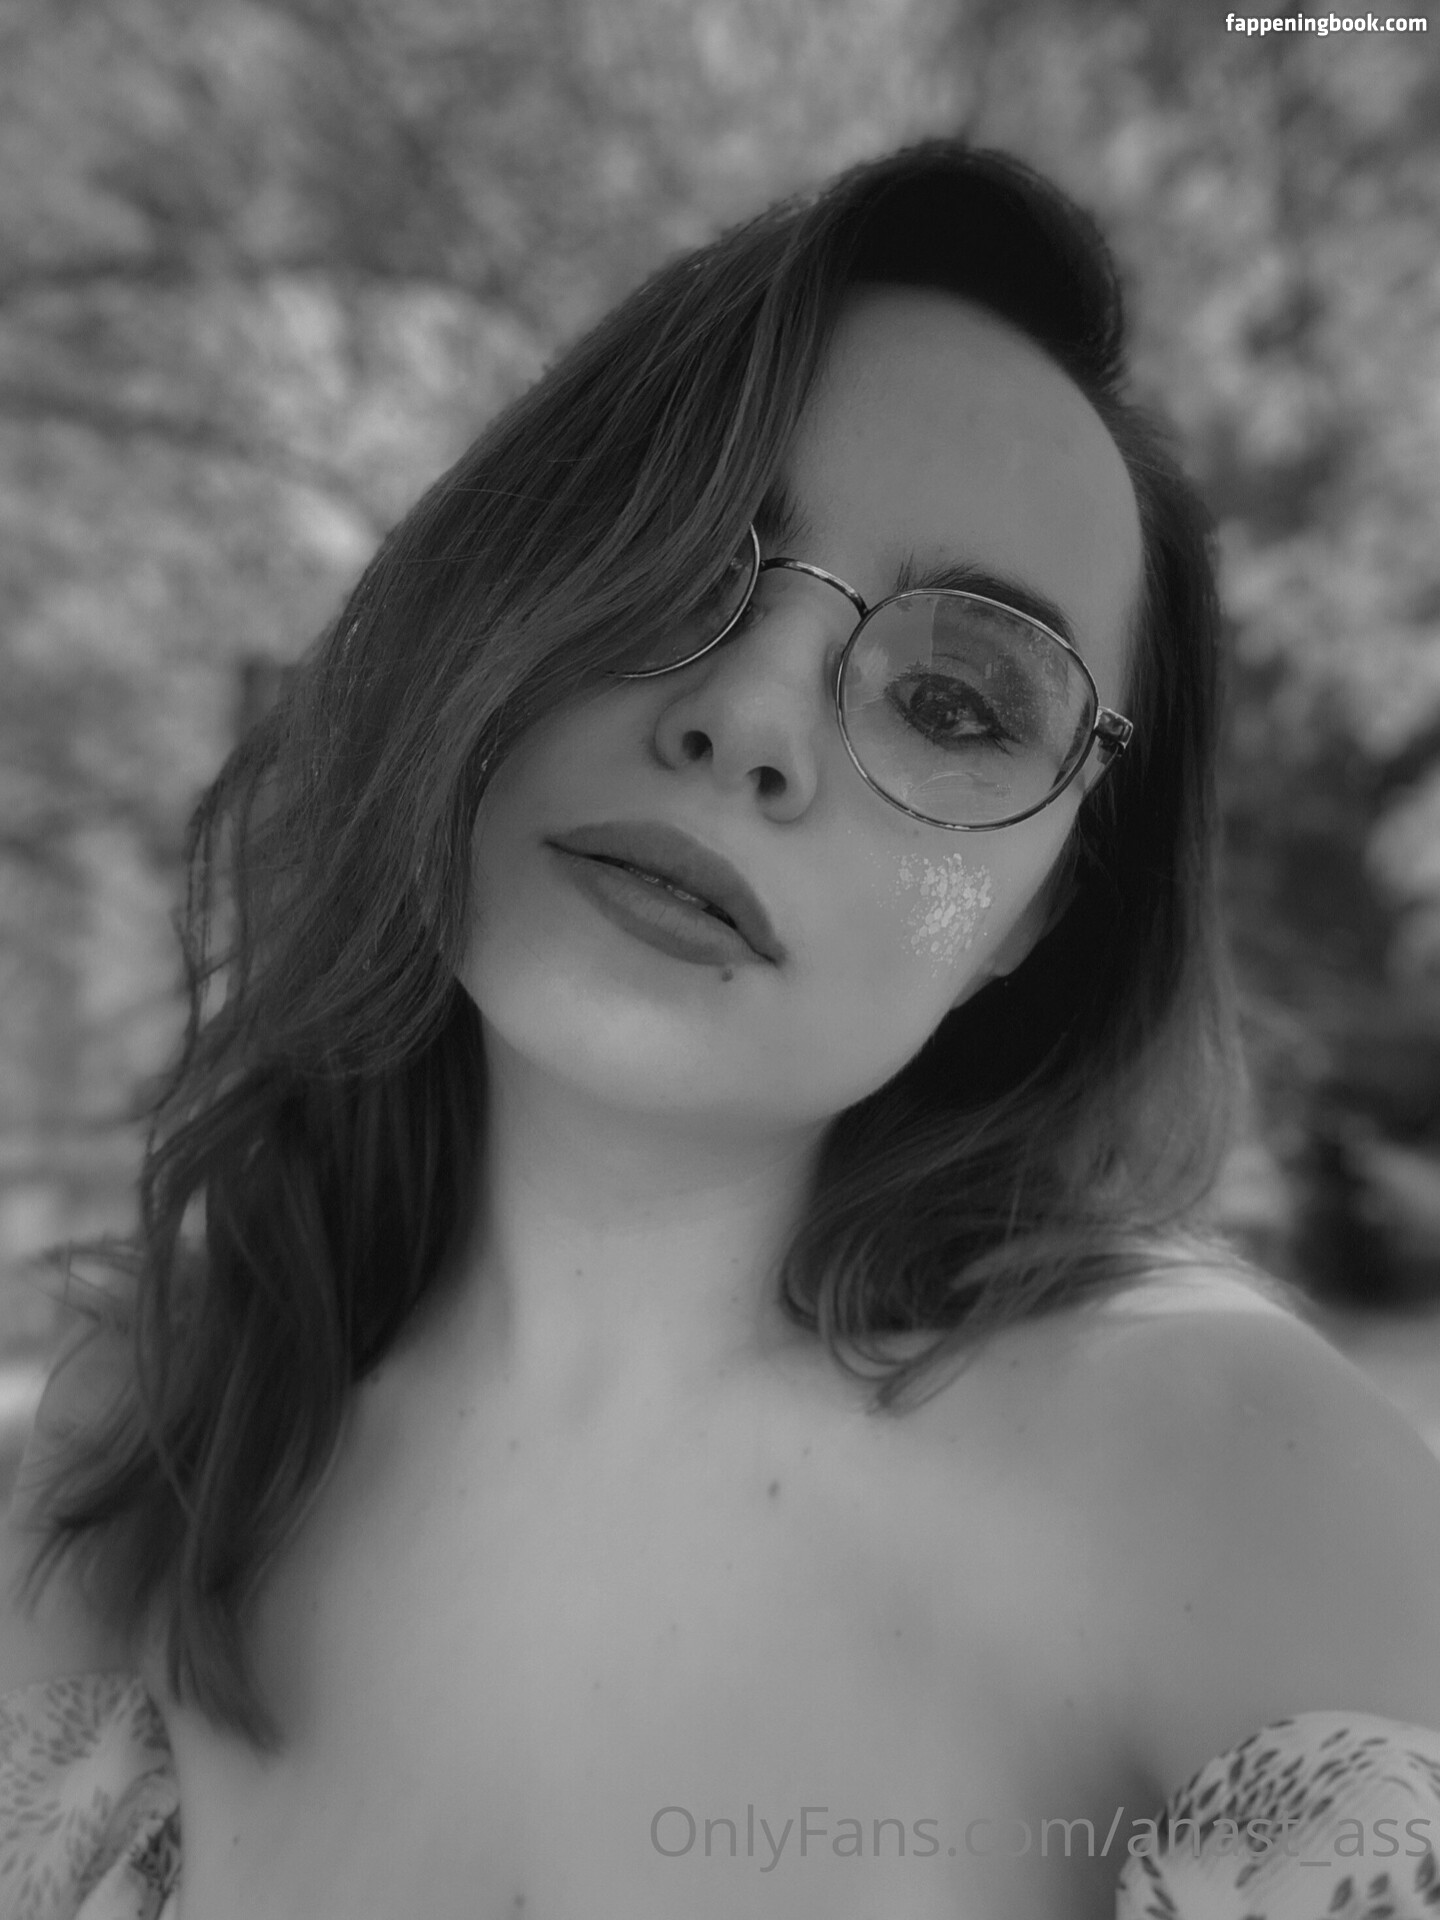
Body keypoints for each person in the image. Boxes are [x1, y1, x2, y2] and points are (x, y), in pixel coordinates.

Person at [2, 139, 1439, 1920]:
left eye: (956, 702)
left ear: (1039, 914)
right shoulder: (150, 1446)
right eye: (681, 557)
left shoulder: (1227, 1479)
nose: (749, 720)